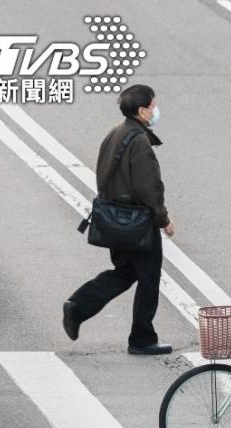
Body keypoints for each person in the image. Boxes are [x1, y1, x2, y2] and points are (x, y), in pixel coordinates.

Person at [63, 84, 175, 355]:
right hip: (138, 224)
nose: (155, 110)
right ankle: (142, 338)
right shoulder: (138, 141)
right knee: (148, 279)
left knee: (125, 272)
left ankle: (79, 305)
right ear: (142, 110)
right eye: (153, 105)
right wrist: (163, 220)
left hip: (116, 220)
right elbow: (149, 188)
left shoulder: (116, 133)